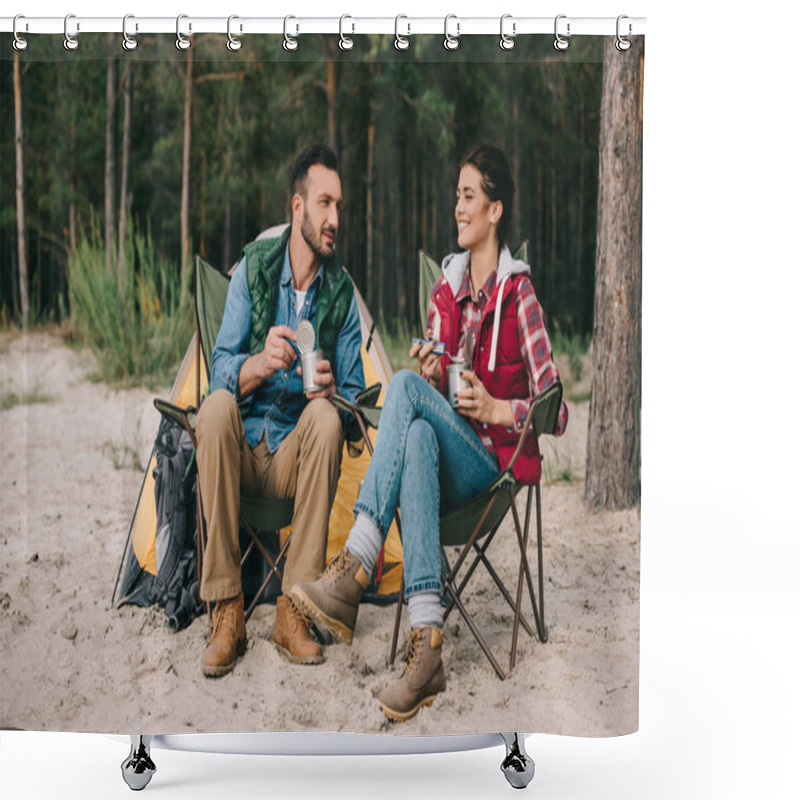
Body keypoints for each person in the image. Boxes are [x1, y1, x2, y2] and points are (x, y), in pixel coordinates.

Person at [291, 143, 568, 721]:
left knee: (406, 394)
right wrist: (436, 374)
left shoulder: (521, 298)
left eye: (469, 197)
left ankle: (357, 561)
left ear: (495, 211)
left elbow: (556, 411)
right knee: (415, 425)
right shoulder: (446, 293)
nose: (458, 207)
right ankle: (426, 645)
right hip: (445, 464)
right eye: (457, 196)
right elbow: (431, 393)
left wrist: (496, 409)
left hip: (493, 473)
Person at [196, 144, 364, 677]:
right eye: (323, 204)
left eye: (338, 206)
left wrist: (335, 393)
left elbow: (358, 413)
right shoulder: (254, 269)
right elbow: (219, 366)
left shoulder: (342, 294)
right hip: (243, 447)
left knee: (325, 417)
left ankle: (293, 608)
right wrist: (259, 363)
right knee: (217, 406)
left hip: (297, 455)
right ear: (298, 207)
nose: (333, 218)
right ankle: (228, 609)